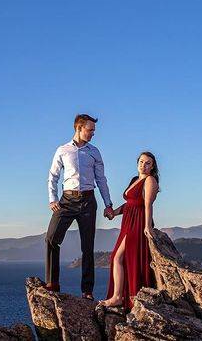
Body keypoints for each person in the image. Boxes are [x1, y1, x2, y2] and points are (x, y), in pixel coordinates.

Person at [45, 114, 113, 299]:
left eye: (93, 131)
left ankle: (87, 291)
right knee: (51, 238)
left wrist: (108, 204)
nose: (92, 134)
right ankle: (52, 282)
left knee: (87, 246)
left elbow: (101, 179)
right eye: (90, 130)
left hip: (88, 201)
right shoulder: (62, 150)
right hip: (66, 201)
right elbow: (53, 176)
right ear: (79, 128)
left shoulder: (94, 152)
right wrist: (53, 198)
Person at [99, 151, 160, 309]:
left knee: (116, 257)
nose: (143, 165)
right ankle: (121, 296)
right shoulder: (135, 179)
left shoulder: (150, 180)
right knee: (122, 259)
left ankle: (118, 297)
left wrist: (147, 226)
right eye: (141, 162)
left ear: (152, 167)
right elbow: (129, 204)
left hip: (138, 223)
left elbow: (147, 205)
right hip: (127, 222)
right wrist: (114, 213)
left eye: (147, 163)